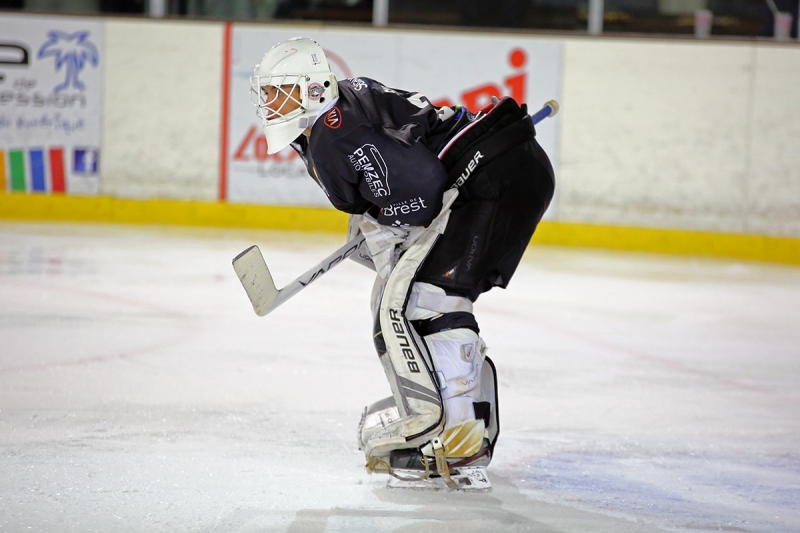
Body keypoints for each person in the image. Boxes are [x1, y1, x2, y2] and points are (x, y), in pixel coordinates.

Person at [250, 37, 555, 487]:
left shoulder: (334, 134)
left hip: (492, 182)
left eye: (279, 90)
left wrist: (385, 221)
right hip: (505, 170)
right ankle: (462, 424)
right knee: (423, 294)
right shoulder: (340, 109)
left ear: (312, 89)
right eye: (266, 92)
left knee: (426, 300)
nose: (269, 103)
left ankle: (460, 437)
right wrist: (382, 219)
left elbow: (424, 188)